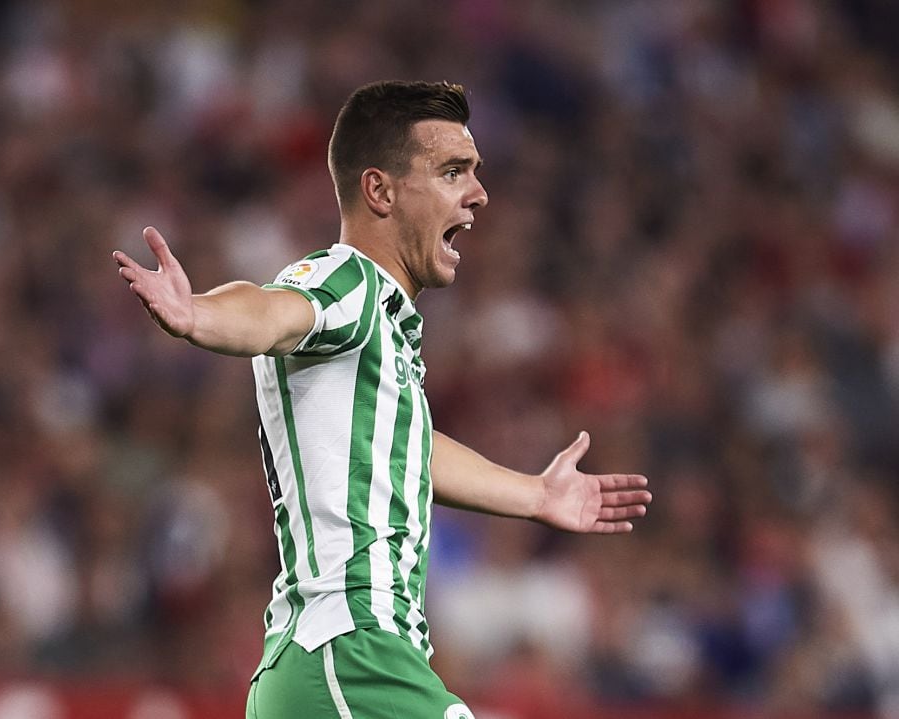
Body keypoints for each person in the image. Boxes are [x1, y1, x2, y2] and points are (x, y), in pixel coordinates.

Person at [113, 80, 652, 719]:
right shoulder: (350, 281)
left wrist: (535, 494)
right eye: (453, 172)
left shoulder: (379, 328)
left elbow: (407, 449)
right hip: (354, 656)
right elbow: (275, 310)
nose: (478, 193)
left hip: (323, 666)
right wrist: (197, 315)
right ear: (381, 191)